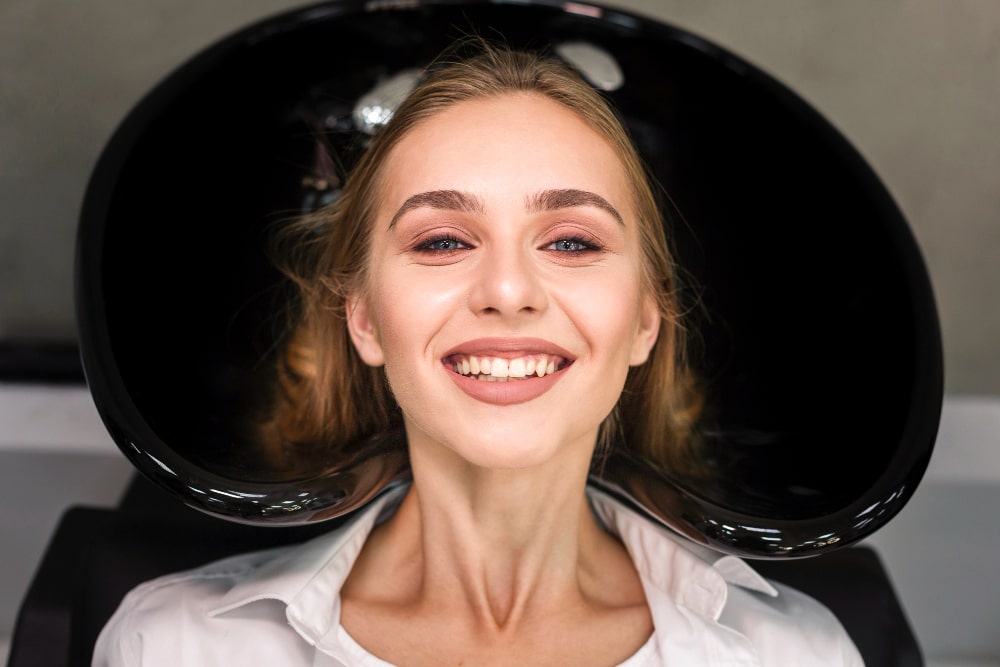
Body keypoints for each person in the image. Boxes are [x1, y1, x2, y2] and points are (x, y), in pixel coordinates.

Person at [93, 42, 864, 666]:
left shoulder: (794, 654)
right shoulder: (175, 646)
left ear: (644, 321)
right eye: (442, 240)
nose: (507, 289)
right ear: (363, 318)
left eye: (570, 240)